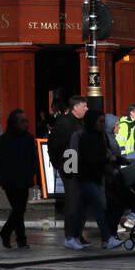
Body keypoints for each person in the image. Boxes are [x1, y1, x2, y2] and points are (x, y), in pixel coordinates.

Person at [64, 109, 123, 250]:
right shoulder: (81, 136)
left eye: (103, 122)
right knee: (98, 206)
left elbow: (105, 153)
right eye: (100, 121)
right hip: (85, 176)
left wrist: (114, 159)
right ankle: (107, 238)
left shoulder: (100, 136)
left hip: (96, 176)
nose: (103, 125)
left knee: (82, 209)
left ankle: (71, 236)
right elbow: (82, 157)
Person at [0, 109, 38, 249]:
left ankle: (16, 237)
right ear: (14, 123)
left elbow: (33, 158)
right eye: (22, 121)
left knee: (19, 209)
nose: (26, 123)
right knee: (18, 209)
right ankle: (14, 236)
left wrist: (31, 172)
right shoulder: (4, 139)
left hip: (24, 179)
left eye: (26, 120)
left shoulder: (28, 138)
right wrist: (3, 174)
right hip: (10, 179)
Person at [48, 95, 89, 240]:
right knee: (73, 200)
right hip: (69, 164)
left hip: (83, 166)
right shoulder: (64, 123)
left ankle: (78, 233)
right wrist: (59, 163)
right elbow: (54, 145)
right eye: (84, 106)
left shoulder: (83, 122)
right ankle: (71, 234)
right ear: (76, 108)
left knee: (82, 201)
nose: (86, 109)